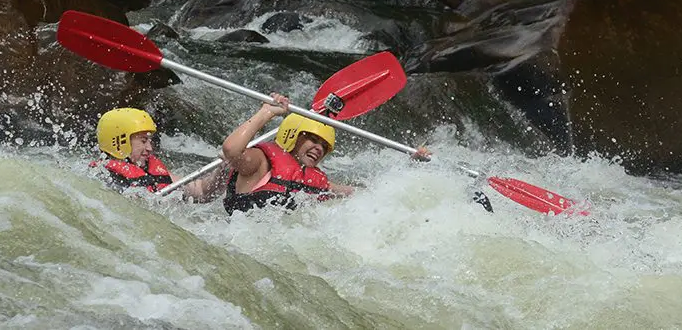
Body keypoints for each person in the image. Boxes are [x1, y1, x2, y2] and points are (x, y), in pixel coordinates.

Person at [221, 93, 432, 215]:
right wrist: (267, 112)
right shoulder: (260, 162)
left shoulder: (313, 182)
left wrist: (411, 166)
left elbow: (370, 193)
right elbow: (231, 149)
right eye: (313, 139)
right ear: (292, 134)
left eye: (324, 145)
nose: (319, 148)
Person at [93, 107, 224, 202]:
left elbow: (201, 191)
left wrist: (224, 168)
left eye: (150, 141)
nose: (150, 148)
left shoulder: (150, 169)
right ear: (119, 142)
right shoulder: (102, 178)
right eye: (143, 141)